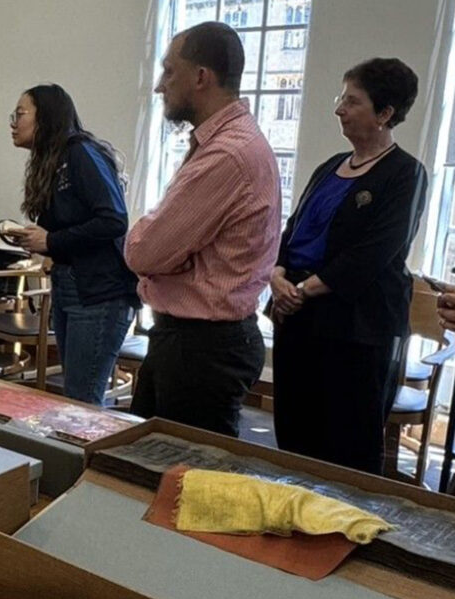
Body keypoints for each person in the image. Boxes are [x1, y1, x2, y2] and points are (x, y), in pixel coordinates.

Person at [124, 22, 280, 437]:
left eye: (169, 71)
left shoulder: (228, 154)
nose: (159, 85)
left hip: (201, 349)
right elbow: (163, 245)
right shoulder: (224, 143)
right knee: (149, 461)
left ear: (200, 77)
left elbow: (143, 251)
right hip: (194, 342)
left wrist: (157, 243)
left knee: (182, 471)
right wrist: (170, 249)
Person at [271, 58, 426, 474]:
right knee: (294, 440)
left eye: (352, 101)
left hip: (357, 331)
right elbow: (293, 230)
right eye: (341, 98)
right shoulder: (329, 166)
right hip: (298, 318)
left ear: (385, 113)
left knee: (346, 451)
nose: (339, 109)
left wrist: (300, 291)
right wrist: (277, 275)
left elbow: (373, 254)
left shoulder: (406, 174)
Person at [8, 84, 139, 405]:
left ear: (46, 117)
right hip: (71, 285)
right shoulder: (54, 161)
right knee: (76, 397)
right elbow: (71, 227)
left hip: (99, 292)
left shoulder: (81, 153)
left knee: (83, 400)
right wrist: (40, 241)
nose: (13, 122)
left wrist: (51, 240)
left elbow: (114, 220)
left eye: (20, 114)